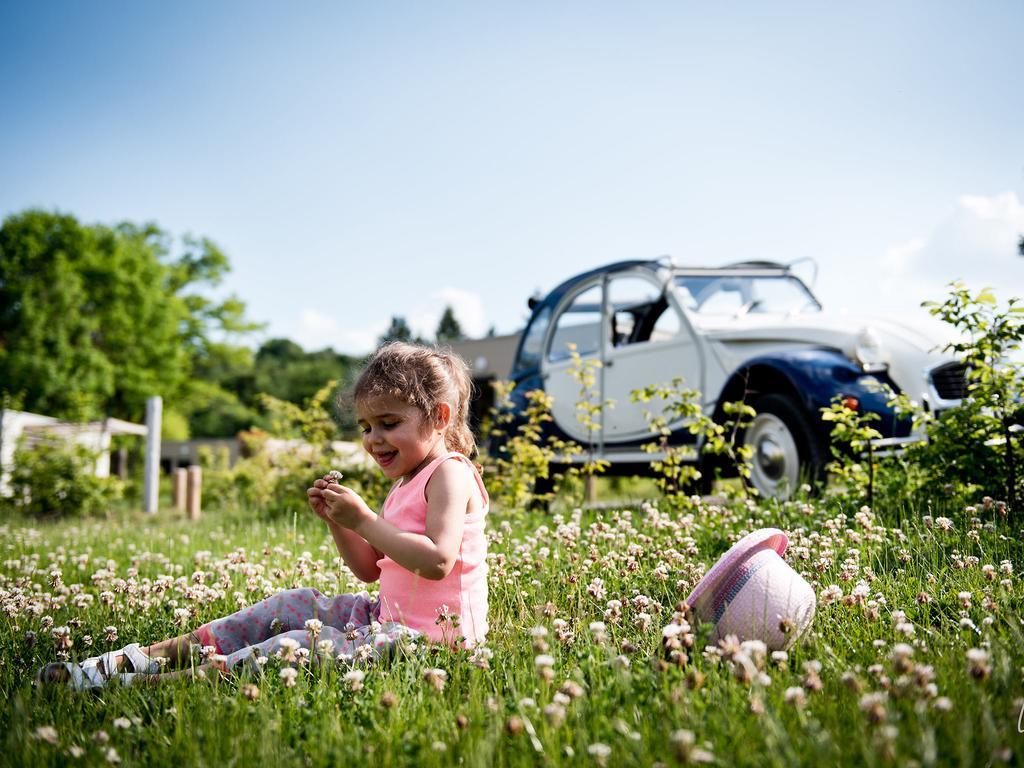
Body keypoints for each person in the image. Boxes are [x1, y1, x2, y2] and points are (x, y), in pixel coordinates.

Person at [38, 342, 489, 688]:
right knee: (290, 605)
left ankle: (150, 685)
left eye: (389, 423)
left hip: (431, 644)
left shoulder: (449, 473)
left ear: (439, 417)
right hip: (382, 620)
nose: (374, 439)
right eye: (366, 427)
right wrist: (340, 522)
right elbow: (371, 569)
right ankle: (136, 658)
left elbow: (436, 561)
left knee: (294, 646)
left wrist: (366, 520)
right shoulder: (405, 481)